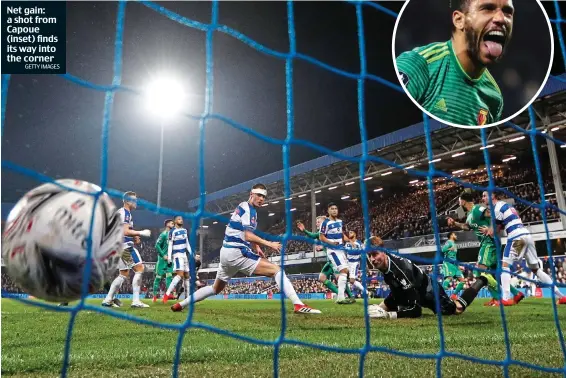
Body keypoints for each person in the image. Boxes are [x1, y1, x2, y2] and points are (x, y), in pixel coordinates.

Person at [171, 184, 321, 314]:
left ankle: (180, 304)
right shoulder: (248, 209)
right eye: (259, 195)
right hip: (237, 252)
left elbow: (245, 232)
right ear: (251, 194)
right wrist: (269, 244)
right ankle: (298, 304)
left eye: (264, 196)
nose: (262, 199)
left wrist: (256, 246)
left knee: (215, 289)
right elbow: (247, 235)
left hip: (226, 253)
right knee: (277, 270)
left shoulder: (246, 209)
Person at [395, 0, 514, 126]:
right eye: (487, 9)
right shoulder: (417, 65)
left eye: (508, 12)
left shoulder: (494, 97)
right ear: (459, 20)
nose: (501, 18)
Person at [481, 191, 566, 305]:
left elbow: (494, 232)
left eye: (485, 196)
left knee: (505, 266)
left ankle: (505, 299)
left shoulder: (496, 209)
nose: (483, 198)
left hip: (516, 237)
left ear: (492, 196)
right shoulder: (507, 206)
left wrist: (488, 230)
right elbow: (501, 226)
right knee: (536, 270)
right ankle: (562, 297)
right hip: (526, 235)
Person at [367, 245, 465, 319]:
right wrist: (379, 308)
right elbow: (396, 296)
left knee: (455, 310)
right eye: (369, 255)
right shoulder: (386, 266)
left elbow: (416, 311)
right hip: (415, 291)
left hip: (431, 293)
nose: (372, 259)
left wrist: (389, 315)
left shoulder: (400, 270)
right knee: (375, 312)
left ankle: (465, 298)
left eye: (375, 254)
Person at [102, 192, 151, 308]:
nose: (136, 202)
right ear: (127, 201)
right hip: (125, 247)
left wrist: (133, 236)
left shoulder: (121, 213)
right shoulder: (125, 213)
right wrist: (140, 232)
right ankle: (136, 301)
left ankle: (108, 300)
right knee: (139, 269)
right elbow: (125, 231)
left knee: (123, 274)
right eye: (134, 200)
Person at [296, 218, 355, 300]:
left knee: (339, 277)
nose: (316, 223)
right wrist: (304, 230)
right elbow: (313, 236)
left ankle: (349, 296)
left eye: (318, 222)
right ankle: (340, 293)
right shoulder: (321, 233)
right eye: (316, 222)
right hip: (329, 260)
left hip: (335, 258)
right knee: (322, 277)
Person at [319, 203, 351, 304]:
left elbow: (341, 234)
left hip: (341, 249)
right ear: (328, 211)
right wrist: (331, 243)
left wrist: (351, 242)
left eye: (336, 208)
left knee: (345, 271)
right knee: (343, 270)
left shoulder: (340, 222)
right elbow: (321, 237)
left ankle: (341, 298)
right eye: (332, 209)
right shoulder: (325, 223)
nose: (334, 210)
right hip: (332, 250)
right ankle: (341, 298)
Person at [152, 219, 174, 302]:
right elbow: (157, 245)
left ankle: (167, 295)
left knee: (169, 276)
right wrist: (163, 255)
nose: (173, 224)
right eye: (172, 223)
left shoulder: (171, 235)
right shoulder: (163, 234)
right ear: (167, 224)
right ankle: (154, 297)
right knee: (158, 278)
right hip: (162, 260)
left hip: (169, 259)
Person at [441, 232, 466, 299]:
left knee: (463, 281)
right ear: (451, 235)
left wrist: (458, 266)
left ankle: (454, 295)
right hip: (448, 263)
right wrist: (449, 249)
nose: (456, 236)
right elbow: (443, 250)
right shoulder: (448, 242)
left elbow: (454, 257)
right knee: (449, 278)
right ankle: (439, 294)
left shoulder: (454, 244)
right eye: (455, 234)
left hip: (454, 265)